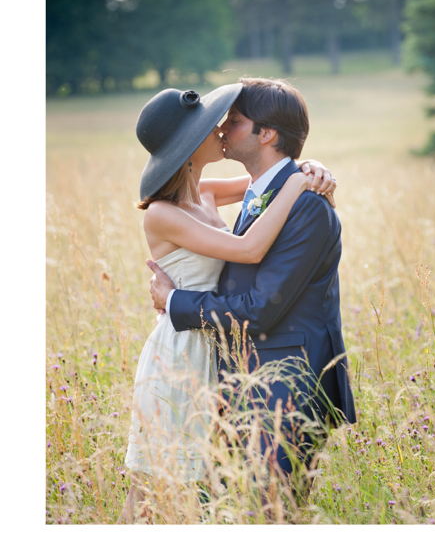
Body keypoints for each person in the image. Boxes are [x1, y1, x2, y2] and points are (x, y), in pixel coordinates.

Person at [119, 82, 338, 523]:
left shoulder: (206, 193)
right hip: (181, 351)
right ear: (187, 144)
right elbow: (251, 248)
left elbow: (267, 179)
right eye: (210, 125)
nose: (219, 128)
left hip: (217, 354)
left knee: (198, 496)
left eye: (230, 121)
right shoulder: (164, 212)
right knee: (149, 492)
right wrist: (297, 182)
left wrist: (310, 169)